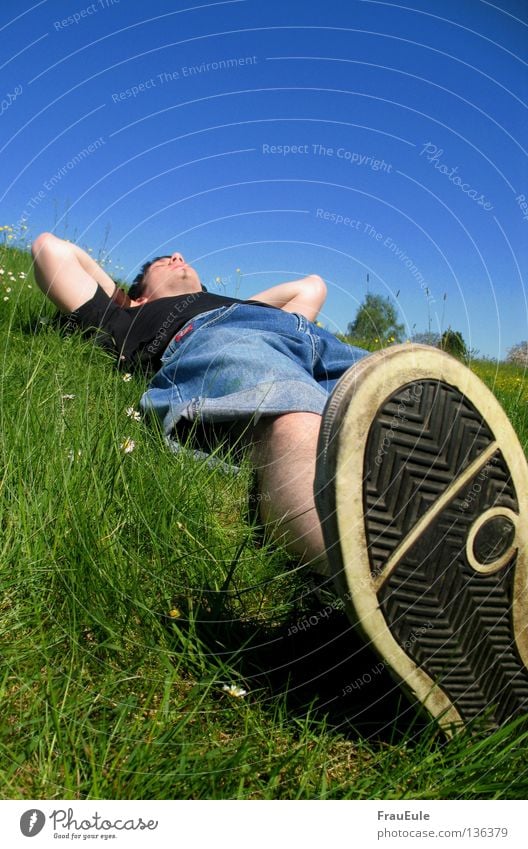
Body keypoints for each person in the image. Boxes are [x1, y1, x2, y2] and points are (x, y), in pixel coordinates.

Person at [32, 231, 528, 734]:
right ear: (136, 293)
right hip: (213, 340)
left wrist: (235, 302)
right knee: (291, 412)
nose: (179, 255)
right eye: (163, 259)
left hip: (316, 344)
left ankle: (476, 579)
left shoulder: (233, 302)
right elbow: (50, 248)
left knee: (415, 409)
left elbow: (310, 287)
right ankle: (428, 602)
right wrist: (117, 294)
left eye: (183, 255)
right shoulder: (127, 319)